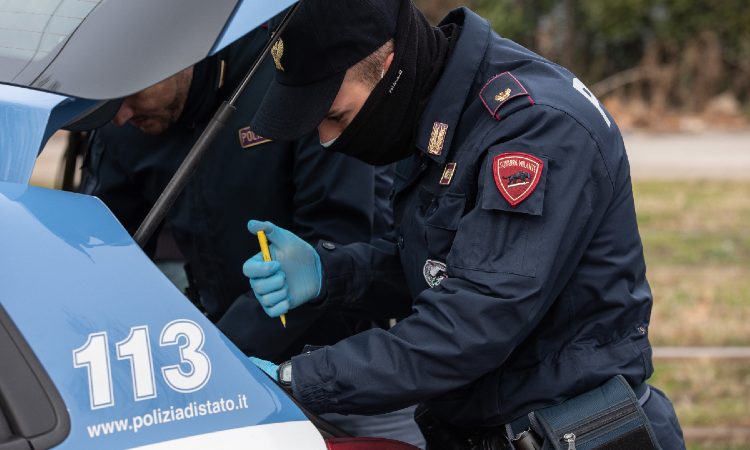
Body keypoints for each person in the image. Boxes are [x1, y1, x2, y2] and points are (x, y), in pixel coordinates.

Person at [242, 1, 686, 449]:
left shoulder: (532, 127)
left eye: (336, 116)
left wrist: (299, 378)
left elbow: (475, 319)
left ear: (388, 70)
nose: (327, 139)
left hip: (569, 433)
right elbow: (446, 267)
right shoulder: (439, 111)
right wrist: (331, 273)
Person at [79, 12, 425, 447]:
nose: (121, 114)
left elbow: (339, 234)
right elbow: (107, 255)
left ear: (179, 56)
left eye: (132, 95)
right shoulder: (122, 129)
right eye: (109, 100)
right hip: (218, 373)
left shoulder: (288, 77)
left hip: (346, 370)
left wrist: (219, 349)